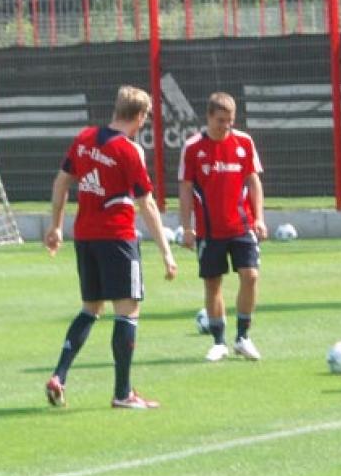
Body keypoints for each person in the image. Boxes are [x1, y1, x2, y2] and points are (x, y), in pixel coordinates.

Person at [44, 86, 177, 409]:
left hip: (85, 237)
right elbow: (146, 203)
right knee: (127, 312)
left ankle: (59, 375)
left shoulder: (84, 139)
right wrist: (166, 252)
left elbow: (62, 181)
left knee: (91, 308)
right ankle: (122, 393)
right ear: (141, 116)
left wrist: (57, 226)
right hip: (117, 238)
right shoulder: (129, 151)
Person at [178, 92, 267, 362]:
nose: (225, 126)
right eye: (220, 120)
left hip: (242, 226)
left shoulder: (244, 142)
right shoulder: (193, 147)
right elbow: (185, 189)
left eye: (230, 121)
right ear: (208, 117)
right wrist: (187, 227)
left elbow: (253, 182)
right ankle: (219, 342)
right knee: (213, 284)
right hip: (209, 230)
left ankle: (243, 337)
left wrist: (260, 218)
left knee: (250, 276)